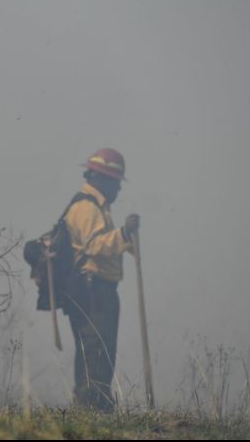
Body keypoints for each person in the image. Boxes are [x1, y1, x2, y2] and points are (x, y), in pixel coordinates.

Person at [63, 148, 139, 412]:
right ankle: (91, 408)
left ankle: (95, 405)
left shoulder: (97, 208)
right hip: (93, 291)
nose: (118, 190)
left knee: (99, 351)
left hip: (99, 290)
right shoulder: (86, 207)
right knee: (96, 351)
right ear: (100, 179)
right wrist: (124, 233)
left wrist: (124, 238)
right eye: (115, 183)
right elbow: (94, 246)